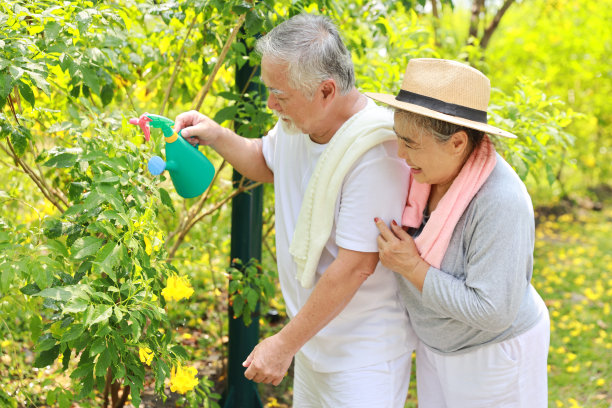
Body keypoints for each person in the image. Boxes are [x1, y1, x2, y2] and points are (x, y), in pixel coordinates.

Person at [174, 14, 416, 407]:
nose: (271, 105)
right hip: (313, 341)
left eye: (280, 95)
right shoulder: (297, 125)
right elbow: (266, 162)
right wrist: (214, 134)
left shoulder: (375, 151)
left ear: (325, 91)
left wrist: (284, 343)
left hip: (362, 357)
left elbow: (356, 265)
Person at [368, 58, 550, 407]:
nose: (400, 153)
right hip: (438, 347)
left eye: (411, 143)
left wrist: (412, 268)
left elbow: (493, 310)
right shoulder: (423, 175)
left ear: (456, 142)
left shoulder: (500, 202)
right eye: (398, 138)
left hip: (494, 353)